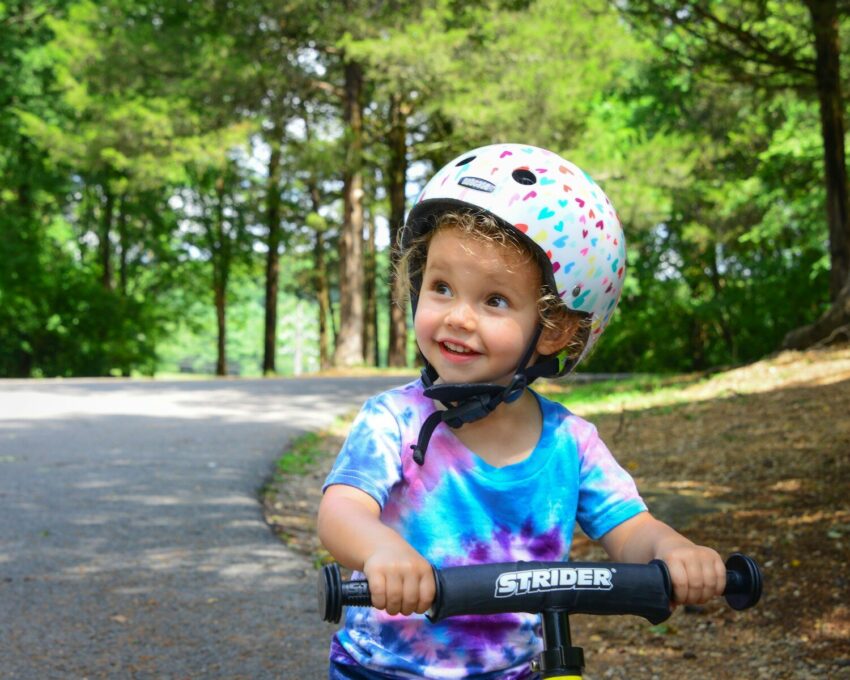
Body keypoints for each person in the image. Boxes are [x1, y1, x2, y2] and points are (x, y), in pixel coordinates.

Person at [317, 143, 726, 679]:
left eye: (494, 300)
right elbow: (341, 512)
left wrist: (674, 550)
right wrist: (381, 553)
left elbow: (631, 529)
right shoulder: (393, 421)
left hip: (514, 670)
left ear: (553, 328)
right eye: (441, 288)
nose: (458, 317)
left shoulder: (570, 444)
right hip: (385, 668)